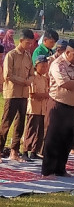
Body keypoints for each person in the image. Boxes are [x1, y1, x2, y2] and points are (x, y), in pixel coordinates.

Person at [41, 39, 74, 178]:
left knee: (68, 138)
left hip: (73, 107)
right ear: (68, 52)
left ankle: (60, 169)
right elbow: (65, 83)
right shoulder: (58, 64)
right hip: (58, 104)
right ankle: (48, 170)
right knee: (53, 137)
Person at [0, 29, 35, 163]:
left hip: (24, 94)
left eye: (31, 43)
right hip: (12, 93)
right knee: (6, 123)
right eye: (27, 43)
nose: (29, 45)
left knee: (20, 123)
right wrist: (24, 81)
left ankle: (15, 151)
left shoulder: (27, 56)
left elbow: (32, 73)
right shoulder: (11, 55)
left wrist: (30, 81)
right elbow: (8, 75)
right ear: (21, 41)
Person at [21, 55, 49, 161]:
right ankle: (25, 151)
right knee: (31, 129)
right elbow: (32, 94)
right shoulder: (33, 78)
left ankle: (34, 151)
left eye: (46, 66)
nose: (44, 69)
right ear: (36, 66)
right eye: (42, 66)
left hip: (42, 108)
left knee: (40, 130)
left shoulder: (45, 79)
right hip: (33, 107)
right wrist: (45, 95)